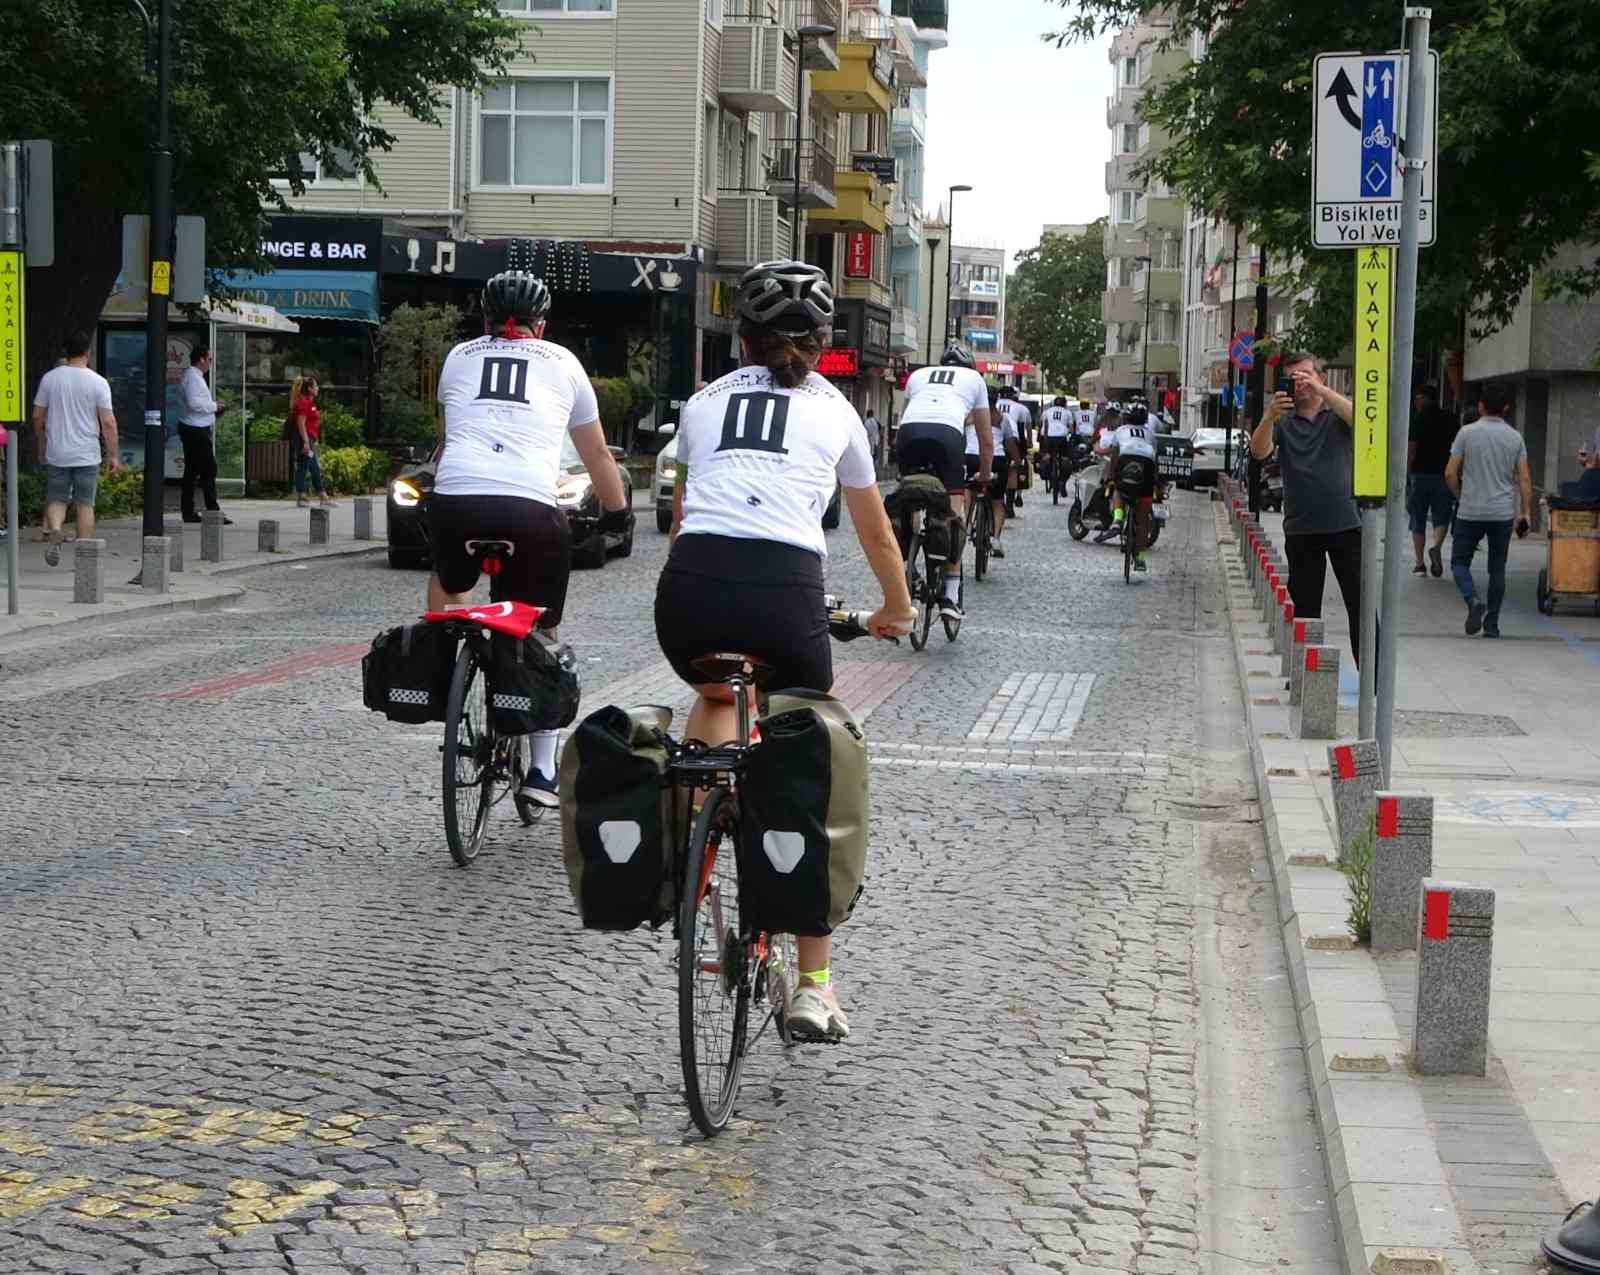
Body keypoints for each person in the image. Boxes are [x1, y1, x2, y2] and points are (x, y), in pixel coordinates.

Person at [655, 259, 915, 1043]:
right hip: (784, 597)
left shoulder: (702, 402)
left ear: (742, 339)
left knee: (712, 694)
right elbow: (874, 532)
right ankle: (814, 986)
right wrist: (894, 610)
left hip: (691, 594)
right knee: (808, 761)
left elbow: (682, 510)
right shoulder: (837, 411)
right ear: (825, 341)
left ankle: (691, 841)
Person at [431, 269, 629, 806]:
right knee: (541, 626)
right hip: (530, 511)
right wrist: (617, 513)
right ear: (542, 326)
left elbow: (449, 442)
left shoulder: (457, 358)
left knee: (449, 581)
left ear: (486, 320)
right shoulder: (564, 363)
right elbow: (597, 456)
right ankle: (542, 770)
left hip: (455, 503)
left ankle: (450, 666)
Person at [1250, 352, 1369, 667]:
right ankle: (1303, 677)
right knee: (1304, 612)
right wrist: (1268, 416)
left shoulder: (1336, 417)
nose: (1300, 383)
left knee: (1361, 605)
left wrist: (1322, 391)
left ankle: (1373, 682)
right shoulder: (1283, 423)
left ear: (1320, 377)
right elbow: (1259, 451)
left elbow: (1362, 419)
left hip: (1346, 524)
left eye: (1305, 375)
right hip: (1302, 529)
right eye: (1293, 378)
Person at [898, 342, 992, 620]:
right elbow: (986, 440)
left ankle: (908, 561)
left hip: (909, 433)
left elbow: (908, 413)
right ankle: (950, 595)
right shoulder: (975, 379)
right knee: (954, 515)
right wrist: (984, 476)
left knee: (909, 494)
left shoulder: (919, 376)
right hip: (948, 437)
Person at [1445, 381, 1533, 639]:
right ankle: (1492, 623)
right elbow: (1525, 479)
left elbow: (1450, 472)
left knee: (1459, 562)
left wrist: (1460, 495)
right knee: (1497, 568)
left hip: (1470, 510)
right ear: (1506, 408)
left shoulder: (1466, 433)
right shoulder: (1515, 437)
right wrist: (1525, 512)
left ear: (1480, 406)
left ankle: (1472, 600)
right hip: (1502, 513)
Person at [30, 330, 119, 565]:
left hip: (58, 450)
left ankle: (56, 529)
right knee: (84, 503)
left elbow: (37, 416)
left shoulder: (50, 379)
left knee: (57, 498)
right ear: (87, 352)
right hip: (86, 453)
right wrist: (113, 455)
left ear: (66, 353)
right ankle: (84, 556)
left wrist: (42, 441)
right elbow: (108, 422)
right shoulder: (98, 382)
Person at [1095, 404, 1158, 570]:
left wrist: (1112, 476)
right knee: (1143, 519)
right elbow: (1154, 458)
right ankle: (1141, 558)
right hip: (1146, 465)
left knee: (1118, 489)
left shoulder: (1120, 431)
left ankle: (1117, 519)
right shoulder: (1150, 435)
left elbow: (1115, 455)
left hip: (1126, 460)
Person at [1407, 383, 1459, 577]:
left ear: (1423, 399)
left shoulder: (1417, 420)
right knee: (1442, 515)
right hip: (1444, 474)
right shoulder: (1451, 419)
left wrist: (1406, 472)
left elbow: (1411, 449)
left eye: (1417, 399)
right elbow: (1457, 448)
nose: (1415, 402)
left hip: (1419, 475)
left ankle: (1420, 563)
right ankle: (1436, 546)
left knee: (1417, 517)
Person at [178, 346, 229, 525]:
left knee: (193, 470)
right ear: (201, 359)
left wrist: (213, 406)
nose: (211, 363)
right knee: (208, 469)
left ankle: (189, 511)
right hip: (195, 429)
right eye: (209, 359)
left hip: (196, 427)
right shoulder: (192, 378)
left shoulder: (195, 377)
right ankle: (212, 510)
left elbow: (198, 402)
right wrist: (215, 407)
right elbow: (194, 403)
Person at [968, 384, 1019, 557]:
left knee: (970, 491)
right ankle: (996, 538)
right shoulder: (1002, 419)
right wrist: (1017, 461)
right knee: (997, 502)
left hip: (972, 457)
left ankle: (967, 523)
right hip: (996, 459)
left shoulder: (969, 415)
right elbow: (1011, 444)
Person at [289, 375, 335, 509]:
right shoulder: (303, 403)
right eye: (315, 386)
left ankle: (323, 497)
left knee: (314, 468)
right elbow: (301, 424)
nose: (318, 388)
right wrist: (306, 442)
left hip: (309, 439)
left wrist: (313, 441)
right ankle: (301, 496)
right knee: (303, 466)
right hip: (304, 439)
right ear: (309, 389)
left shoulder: (309, 403)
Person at [1040, 396, 1074, 493]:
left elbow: (1044, 425)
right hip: (1062, 437)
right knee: (1066, 459)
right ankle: (1063, 481)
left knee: (1048, 455)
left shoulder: (1046, 412)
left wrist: (1045, 440)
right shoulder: (1067, 412)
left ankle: (1047, 469)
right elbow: (1071, 429)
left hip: (1048, 437)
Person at [862, 407, 882, 473]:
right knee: (874, 456)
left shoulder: (866, 422)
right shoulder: (876, 421)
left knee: (869, 455)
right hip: (875, 440)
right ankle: (873, 469)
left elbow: (864, 431)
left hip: (868, 441)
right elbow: (879, 429)